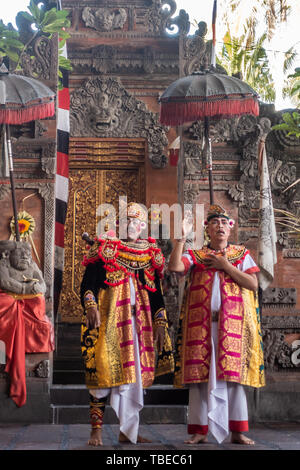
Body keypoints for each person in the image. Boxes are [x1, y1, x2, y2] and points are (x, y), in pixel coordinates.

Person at [168, 204, 265, 445]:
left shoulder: (241, 255)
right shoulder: (198, 255)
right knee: (199, 379)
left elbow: (253, 284)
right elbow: (175, 267)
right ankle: (199, 430)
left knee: (233, 378)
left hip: (232, 326)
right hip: (201, 326)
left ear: (230, 229)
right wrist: (181, 237)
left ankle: (238, 430)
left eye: (224, 222)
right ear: (207, 229)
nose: (220, 226)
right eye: (214, 223)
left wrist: (226, 266)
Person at [80, 202, 174, 446]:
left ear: (143, 227)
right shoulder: (104, 249)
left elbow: (156, 295)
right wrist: (90, 306)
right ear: (119, 225)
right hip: (108, 321)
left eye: (137, 222)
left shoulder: (148, 255)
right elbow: (87, 283)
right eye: (127, 221)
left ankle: (128, 432)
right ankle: (96, 430)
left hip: (138, 324)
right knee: (102, 372)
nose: (132, 226)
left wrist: (161, 321)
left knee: (135, 379)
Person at [0, 240, 54, 407]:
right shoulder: (4, 265)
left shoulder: (32, 267)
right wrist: (24, 290)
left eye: (27, 253)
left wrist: (36, 288)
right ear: (8, 256)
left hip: (30, 307)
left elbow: (43, 286)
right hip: (11, 301)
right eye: (20, 253)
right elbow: (5, 282)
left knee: (38, 301)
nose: (25, 256)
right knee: (6, 300)